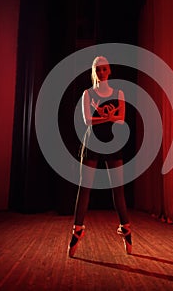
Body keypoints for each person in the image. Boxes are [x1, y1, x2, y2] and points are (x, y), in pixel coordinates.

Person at [69, 56, 132, 257]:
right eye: (97, 69)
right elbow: (88, 121)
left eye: (104, 68)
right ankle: (77, 230)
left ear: (109, 70)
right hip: (92, 143)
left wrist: (104, 116)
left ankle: (126, 229)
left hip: (112, 142)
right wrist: (108, 117)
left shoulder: (119, 93)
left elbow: (121, 120)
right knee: (84, 187)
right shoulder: (87, 93)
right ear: (94, 72)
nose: (101, 72)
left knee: (118, 189)